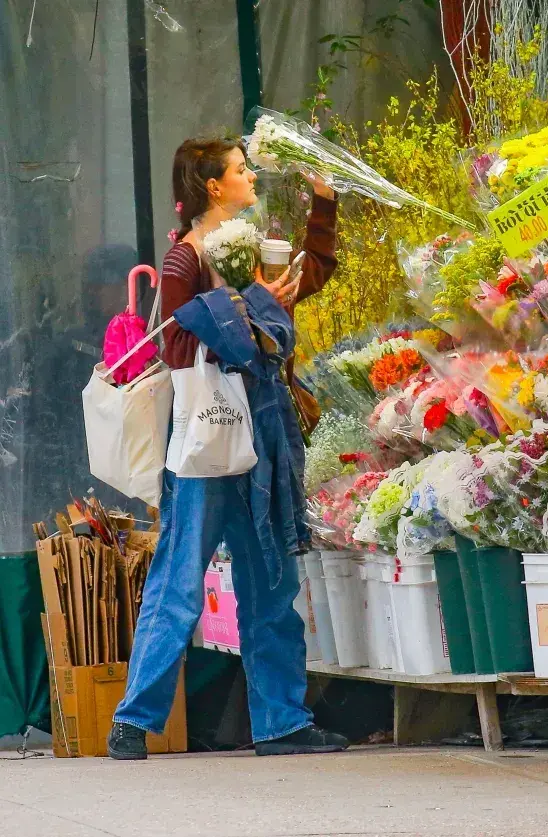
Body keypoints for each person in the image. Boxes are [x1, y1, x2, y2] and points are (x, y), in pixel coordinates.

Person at [108, 137, 348, 759]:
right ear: (212, 185)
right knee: (180, 579)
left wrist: (323, 205)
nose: (250, 177)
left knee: (271, 577)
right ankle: (134, 721)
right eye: (240, 170)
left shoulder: (251, 246)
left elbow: (308, 276)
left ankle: (282, 723)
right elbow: (184, 347)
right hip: (208, 437)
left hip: (263, 433)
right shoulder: (182, 262)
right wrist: (259, 309)